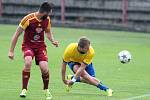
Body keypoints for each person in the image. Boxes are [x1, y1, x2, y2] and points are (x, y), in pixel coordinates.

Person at [8, 2, 58, 100]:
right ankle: (24, 89)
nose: (49, 15)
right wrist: (11, 51)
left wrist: (52, 41)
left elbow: (48, 33)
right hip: (28, 46)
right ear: (45, 12)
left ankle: (46, 90)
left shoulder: (47, 19)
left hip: (40, 47)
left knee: (44, 68)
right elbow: (16, 34)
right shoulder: (28, 19)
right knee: (28, 61)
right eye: (49, 13)